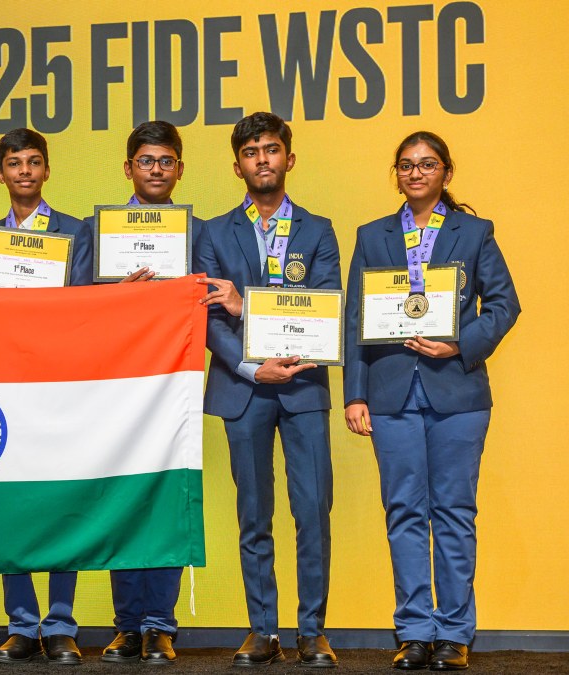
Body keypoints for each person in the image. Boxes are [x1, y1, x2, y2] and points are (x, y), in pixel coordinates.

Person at [343, 131, 519, 671]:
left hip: (458, 394)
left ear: (446, 171)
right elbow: (354, 322)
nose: (415, 173)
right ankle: (415, 630)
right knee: (403, 512)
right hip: (391, 391)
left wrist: (459, 343)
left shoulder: (474, 231)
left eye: (427, 164)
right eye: (405, 165)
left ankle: (455, 633)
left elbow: (506, 304)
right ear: (396, 174)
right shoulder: (372, 236)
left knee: (454, 512)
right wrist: (355, 394)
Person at [193, 112, 340, 668]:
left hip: (303, 385)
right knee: (254, 514)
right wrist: (254, 367)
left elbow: (325, 307)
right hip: (245, 387)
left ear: (289, 159)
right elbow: (209, 317)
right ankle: (262, 631)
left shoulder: (318, 229)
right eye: (252, 151)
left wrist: (245, 302)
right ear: (238, 166)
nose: (262, 159)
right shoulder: (213, 231)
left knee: (312, 510)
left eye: (271, 149)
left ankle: (311, 631)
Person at [0, 128, 91, 665]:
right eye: (13, 163)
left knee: (60, 505)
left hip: (59, 386)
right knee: (11, 508)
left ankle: (62, 623)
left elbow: (91, 309)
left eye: (33, 162)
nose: (24, 171)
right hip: (3, 387)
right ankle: (22, 624)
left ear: (47, 170)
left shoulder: (78, 232)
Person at [93, 121, 187, 665]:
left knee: (166, 499)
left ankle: (160, 625)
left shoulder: (199, 232)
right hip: (115, 387)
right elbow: (77, 305)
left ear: (179, 168)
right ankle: (127, 625)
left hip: (170, 386)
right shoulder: (97, 231)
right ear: (128, 168)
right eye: (146, 161)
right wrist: (115, 298)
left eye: (166, 161)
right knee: (124, 500)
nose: (156, 169)